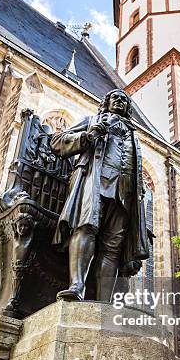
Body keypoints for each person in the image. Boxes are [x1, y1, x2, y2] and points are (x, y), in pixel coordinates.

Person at [50, 89, 149, 302]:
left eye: (124, 100)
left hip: (124, 193)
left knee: (112, 246)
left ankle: (105, 301)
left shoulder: (133, 135)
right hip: (94, 181)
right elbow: (56, 141)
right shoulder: (91, 120)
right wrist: (88, 136)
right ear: (106, 102)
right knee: (86, 227)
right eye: (115, 97)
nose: (120, 101)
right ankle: (77, 286)